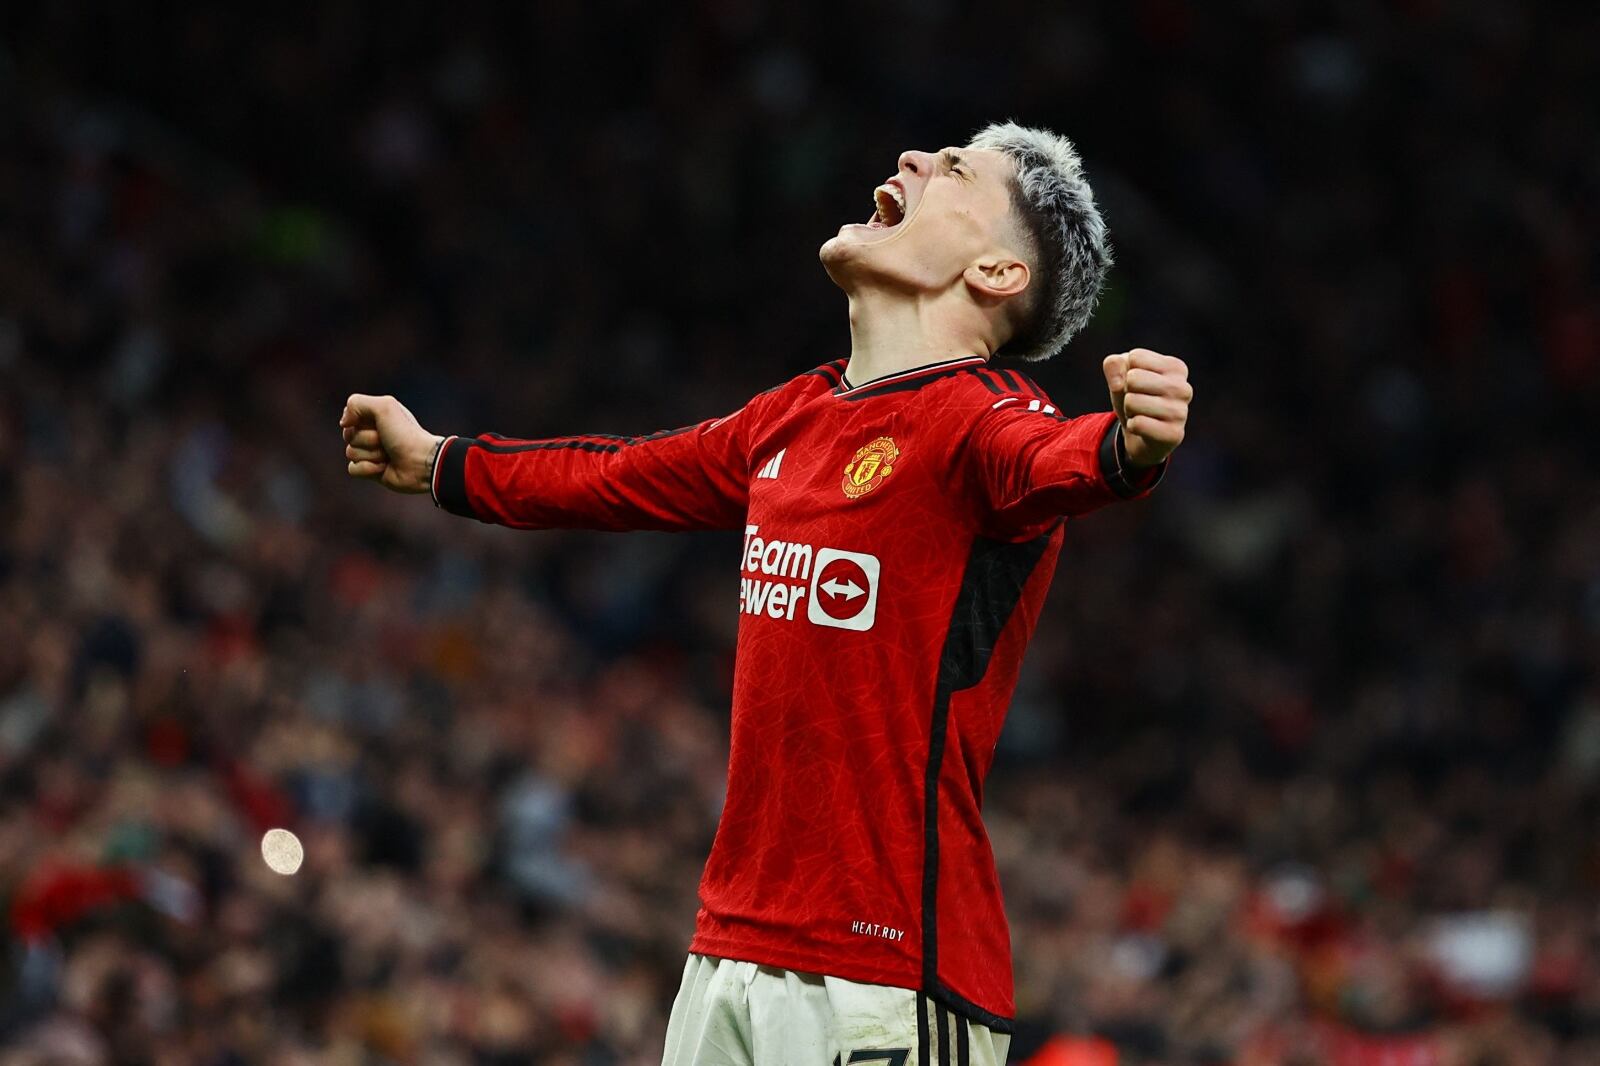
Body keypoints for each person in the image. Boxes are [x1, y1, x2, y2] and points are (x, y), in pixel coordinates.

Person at [340, 122, 1192, 1066]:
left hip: (886, 973)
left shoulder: (987, 421)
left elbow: (1059, 461)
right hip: (728, 951)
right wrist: (440, 463)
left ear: (995, 275)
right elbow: (615, 476)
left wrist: (1130, 448)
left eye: (953, 170)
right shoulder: (792, 417)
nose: (910, 159)